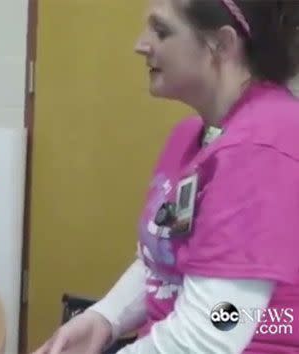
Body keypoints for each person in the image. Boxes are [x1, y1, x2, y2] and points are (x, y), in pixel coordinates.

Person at [35, 0, 299, 353]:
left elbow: (209, 335)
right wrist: (105, 318)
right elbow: (163, 265)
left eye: (161, 31)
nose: (140, 44)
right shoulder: (192, 138)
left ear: (221, 44)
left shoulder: (261, 149)